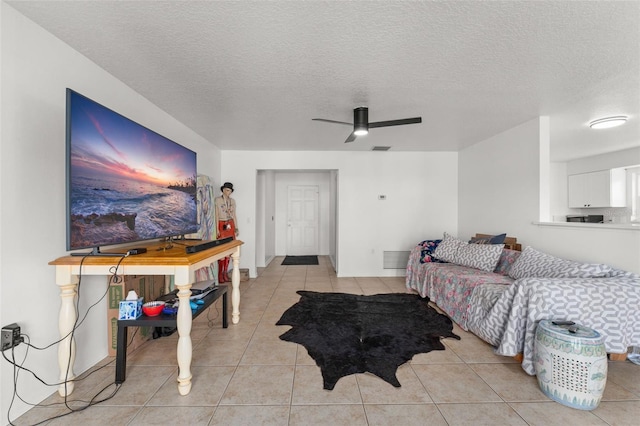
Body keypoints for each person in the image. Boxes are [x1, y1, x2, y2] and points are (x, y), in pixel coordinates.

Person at [214, 182, 238, 283]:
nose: (227, 192)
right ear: (223, 190)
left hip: (230, 223)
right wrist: (217, 229)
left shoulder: (232, 201)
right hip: (221, 223)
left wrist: (236, 227)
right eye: (226, 190)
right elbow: (216, 215)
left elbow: (234, 214)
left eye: (229, 190)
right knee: (222, 250)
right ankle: (220, 274)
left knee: (229, 250)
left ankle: (225, 273)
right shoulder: (218, 200)